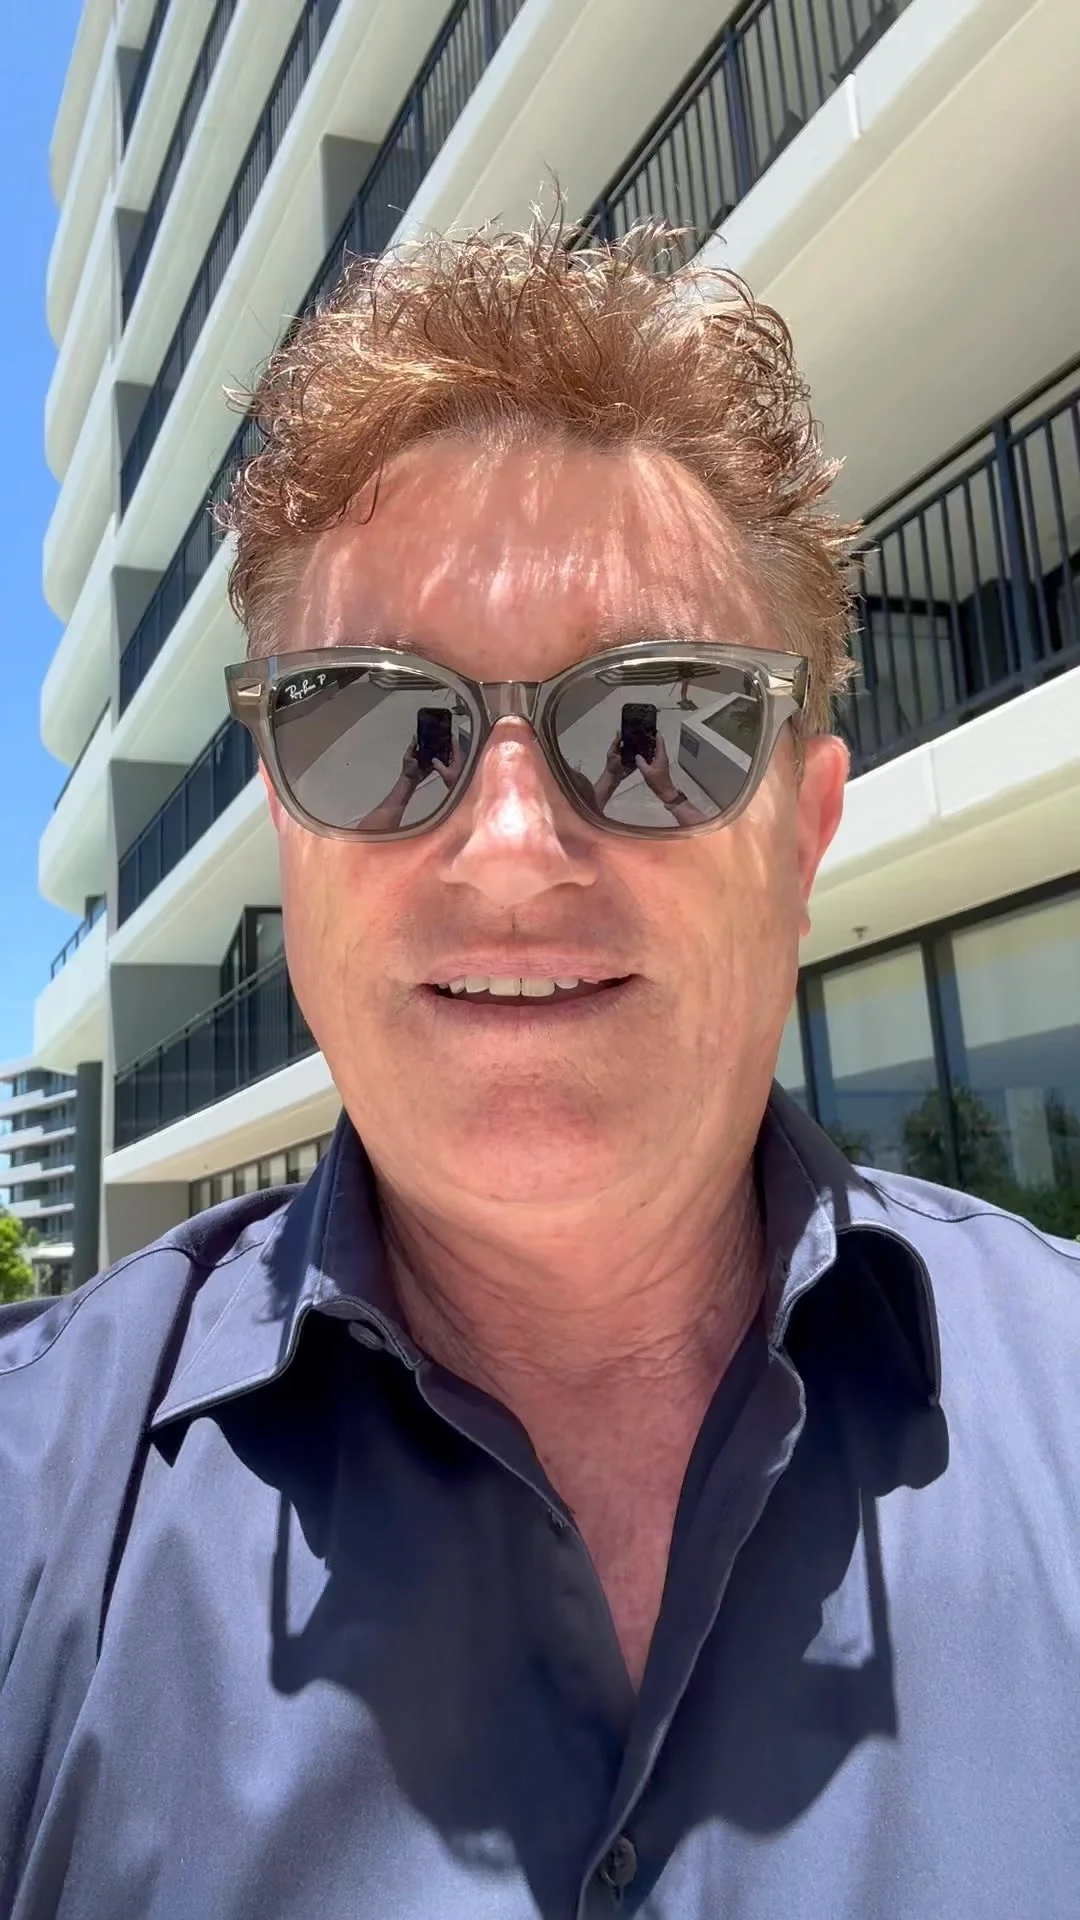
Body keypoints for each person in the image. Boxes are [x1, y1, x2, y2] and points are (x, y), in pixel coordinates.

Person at [2, 223, 1079, 1920]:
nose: (509, 849)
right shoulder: (32, 1510)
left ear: (804, 836)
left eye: (659, 724)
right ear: (290, 833)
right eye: (374, 723)